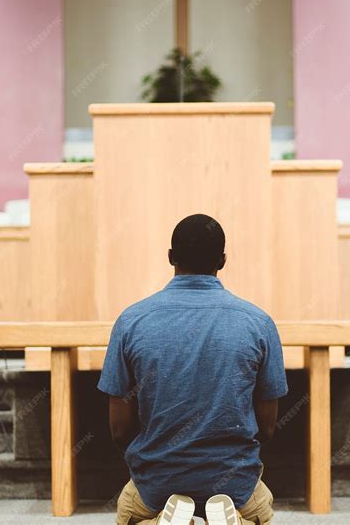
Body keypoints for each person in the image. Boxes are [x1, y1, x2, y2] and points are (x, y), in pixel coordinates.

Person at [98, 214, 288, 525]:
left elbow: (119, 429)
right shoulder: (259, 323)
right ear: (223, 261)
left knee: (129, 515)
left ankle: (161, 520)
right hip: (236, 485)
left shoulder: (131, 321)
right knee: (261, 513)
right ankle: (233, 519)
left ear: (170, 257)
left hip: (155, 483)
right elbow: (267, 428)